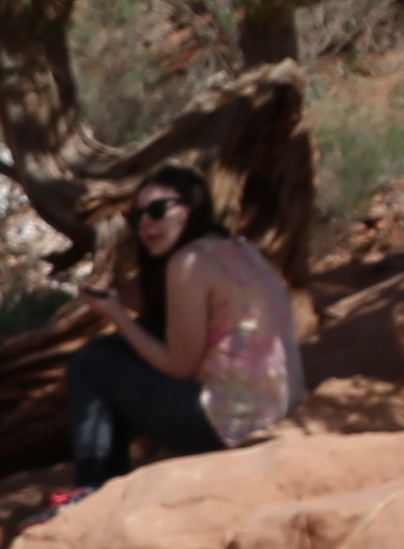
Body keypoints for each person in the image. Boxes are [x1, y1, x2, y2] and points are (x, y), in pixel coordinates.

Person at [64, 167, 302, 487]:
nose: (146, 224)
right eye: (138, 217)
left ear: (189, 208)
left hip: (225, 425)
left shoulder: (188, 262)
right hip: (273, 410)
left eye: (158, 211)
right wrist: (136, 300)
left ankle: (95, 481)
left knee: (89, 362)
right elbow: (213, 317)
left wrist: (117, 314)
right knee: (130, 338)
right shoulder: (235, 246)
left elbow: (180, 366)